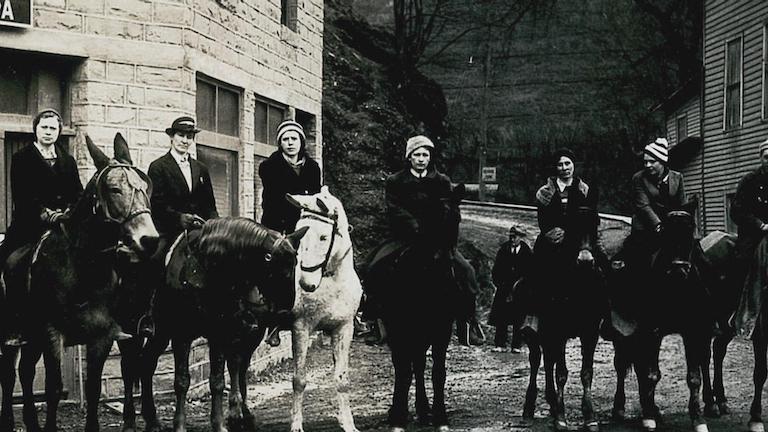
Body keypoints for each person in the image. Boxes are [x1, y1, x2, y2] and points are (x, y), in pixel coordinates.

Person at [363, 135, 484, 346]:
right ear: (409, 157)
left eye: (425, 155)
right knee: (375, 266)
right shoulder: (395, 181)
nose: (421, 159)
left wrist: (437, 228)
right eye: (417, 155)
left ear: (430, 157)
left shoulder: (441, 180)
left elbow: (448, 206)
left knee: (466, 271)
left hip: (436, 238)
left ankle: (469, 322)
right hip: (404, 237)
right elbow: (394, 207)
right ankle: (375, 321)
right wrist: (413, 225)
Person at [0, 109, 84, 346]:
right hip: (30, 226)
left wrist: (70, 212)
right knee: (12, 263)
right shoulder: (22, 158)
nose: (48, 132)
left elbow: (78, 192)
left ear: (59, 132)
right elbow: (23, 197)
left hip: (64, 227)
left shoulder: (68, 160)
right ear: (35, 129)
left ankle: (81, 321)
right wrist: (48, 215)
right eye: (44, 127)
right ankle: (13, 327)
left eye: (53, 128)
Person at [139, 116, 219, 337]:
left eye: (189, 137)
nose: (185, 140)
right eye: (181, 136)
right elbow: (156, 204)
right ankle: (149, 314)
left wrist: (215, 225)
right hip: (170, 229)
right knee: (155, 258)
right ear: (172, 137)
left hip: (199, 230)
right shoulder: (158, 166)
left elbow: (209, 204)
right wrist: (179, 218)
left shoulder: (200, 168)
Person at [523, 148, 599, 335]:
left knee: (601, 268)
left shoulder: (584, 189)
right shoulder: (545, 192)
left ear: (574, 165)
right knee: (536, 270)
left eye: (568, 164)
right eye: (560, 164)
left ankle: (605, 315)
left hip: (579, 238)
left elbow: (590, 216)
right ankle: (533, 316)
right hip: (553, 239)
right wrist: (557, 234)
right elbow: (544, 221)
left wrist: (580, 234)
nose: (564, 168)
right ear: (555, 167)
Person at [258, 119, 321, 346]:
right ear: (280, 144)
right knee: (278, 269)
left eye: (294, 138)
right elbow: (275, 200)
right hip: (278, 226)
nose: (290, 143)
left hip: (304, 226)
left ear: (301, 141)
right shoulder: (268, 167)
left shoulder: (313, 168)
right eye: (285, 139)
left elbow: (315, 199)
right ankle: (275, 320)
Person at [622, 138, 686, 268]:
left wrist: (680, 224)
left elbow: (681, 205)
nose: (647, 165)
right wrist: (658, 226)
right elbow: (643, 206)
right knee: (639, 259)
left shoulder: (677, 178)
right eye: (645, 162)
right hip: (646, 228)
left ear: (662, 162)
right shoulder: (639, 178)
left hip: (670, 226)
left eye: (652, 161)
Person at [731, 139, 768, 338]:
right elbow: (736, 211)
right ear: (760, 157)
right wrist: (760, 225)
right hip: (753, 235)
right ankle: (736, 311)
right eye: (767, 157)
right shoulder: (749, 181)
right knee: (742, 262)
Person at [489, 224, 533, 352]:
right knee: (501, 317)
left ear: (521, 238)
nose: (512, 239)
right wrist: (500, 284)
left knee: (519, 318)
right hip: (504, 288)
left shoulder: (527, 252)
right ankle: (500, 344)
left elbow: (531, 273)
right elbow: (496, 269)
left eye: (515, 237)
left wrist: (524, 287)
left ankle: (516, 345)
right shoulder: (504, 249)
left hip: (520, 291)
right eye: (511, 237)